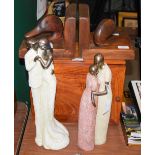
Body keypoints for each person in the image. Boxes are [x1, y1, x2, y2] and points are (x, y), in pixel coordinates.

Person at [24, 38, 69, 150]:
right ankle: (40, 137)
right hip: (35, 84)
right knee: (39, 110)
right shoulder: (29, 55)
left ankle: (47, 130)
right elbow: (28, 67)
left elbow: (46, 64)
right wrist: (36, 59)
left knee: (46, 108)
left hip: (43, 82)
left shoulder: (44, 49)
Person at [78, 64, 107, 151]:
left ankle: (82, 141)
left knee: (85, 120)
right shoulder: (93, 80)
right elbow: (93, 94)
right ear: (95, 72)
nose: (98, 71)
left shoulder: (88, 75)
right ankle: (87, 143)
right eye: (97, 71)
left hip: (85, 96)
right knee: (89, 121)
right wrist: (104, 92)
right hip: (90, 100)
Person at [93, 53, 112, 145]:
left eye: (97, 63)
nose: (96, 64)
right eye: (95, 62)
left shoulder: (107, 71)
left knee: (102, 117)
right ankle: (95, 136)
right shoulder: (99, 68)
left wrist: (95, 93)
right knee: (97, 116)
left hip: (104, 97)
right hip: (99, 94)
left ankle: (99, 139)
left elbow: (107, 91)